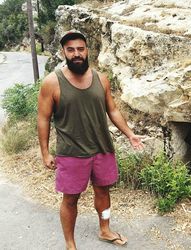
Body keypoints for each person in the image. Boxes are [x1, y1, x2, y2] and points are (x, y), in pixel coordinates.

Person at [37, 30, 144, 249]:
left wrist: (130, 134)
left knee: (103, 191)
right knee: (70, 199)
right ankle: (70, 244)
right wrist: (45, 152)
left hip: (102, 148)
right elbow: (43, 119)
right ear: (63, 52)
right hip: (71, 152)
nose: (76, 54)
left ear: (87, 50)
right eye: (71, 50)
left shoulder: (101, 79)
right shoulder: (52, 83)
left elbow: (112, 110)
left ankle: (105, 229)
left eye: (80, 49)